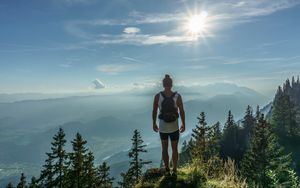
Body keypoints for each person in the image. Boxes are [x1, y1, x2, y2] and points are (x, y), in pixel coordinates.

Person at [152, 74, 185, 176]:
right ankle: (174, 169)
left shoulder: (158, 96)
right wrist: (183, 123)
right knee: (175, 149)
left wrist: (154, 123)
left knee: (164, 149)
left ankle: (167, 169)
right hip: (174, 126)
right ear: (171, 84)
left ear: (163, 84)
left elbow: (154, 111)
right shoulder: (177, 96)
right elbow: (182, 111)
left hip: (163, 127)